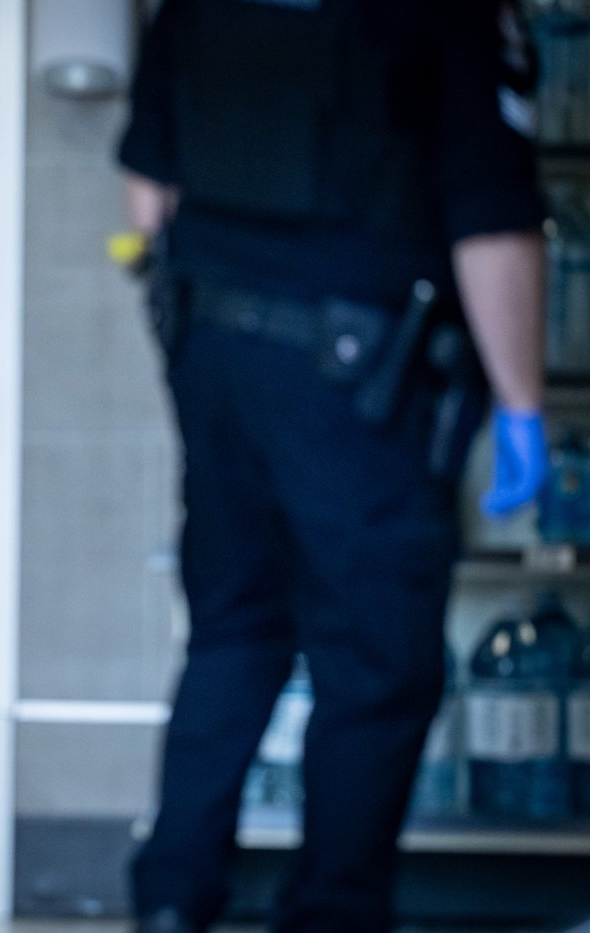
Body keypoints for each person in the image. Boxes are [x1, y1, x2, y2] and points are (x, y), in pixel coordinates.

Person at [118, 1, 547, 931]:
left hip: (213, 347)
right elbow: (492, 221)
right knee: (376, 665)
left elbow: (147, 197)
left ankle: (169, 902)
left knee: (233, 632)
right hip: (360, 371)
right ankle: (333, 917)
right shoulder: (452, 17)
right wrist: (522, 405)